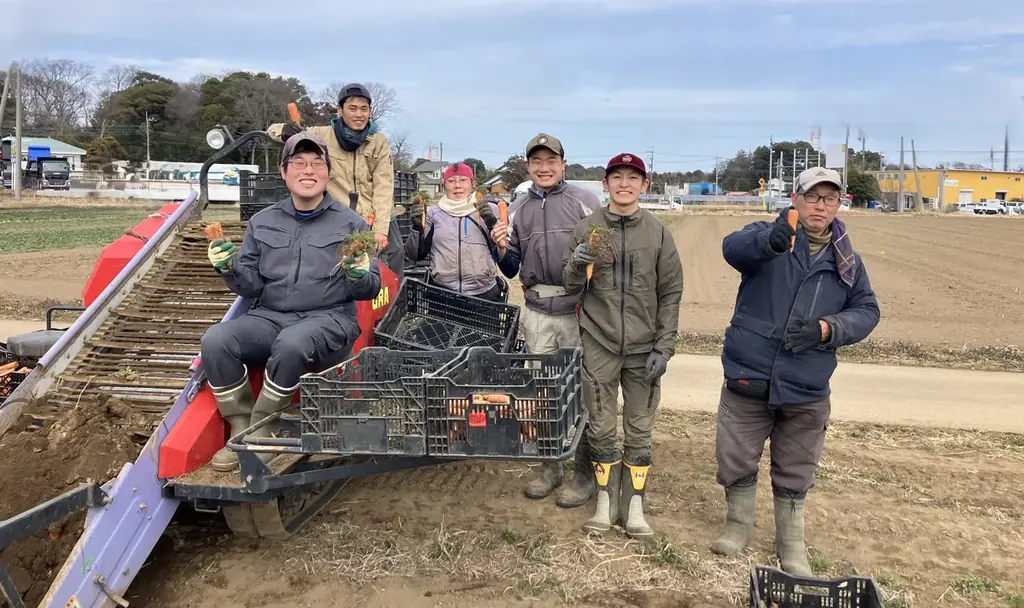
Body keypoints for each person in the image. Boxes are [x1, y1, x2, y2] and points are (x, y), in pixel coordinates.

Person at [710, 167, 880, 574]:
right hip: (749, 374)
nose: (821, 206)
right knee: (735, 457)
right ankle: (738, 526)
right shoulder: (768, 238)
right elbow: (733, 248)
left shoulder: (847, 261)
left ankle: (790, 543)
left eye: (830, 199)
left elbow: (867, 310)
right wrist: (768, 244)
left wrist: (828, 329)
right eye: (813, 197)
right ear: (795, 199)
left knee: (797, 466)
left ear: (839, 205)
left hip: (806, 383)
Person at [201, 131, 382, 472]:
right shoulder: (262, 221)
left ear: (328, 173)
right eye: (298, 162)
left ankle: (263, 428)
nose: (308, 169)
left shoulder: (352, 224)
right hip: (271, 316)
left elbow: (369, 288)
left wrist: (359, 276)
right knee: (216, 340)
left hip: (330, 319)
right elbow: (250, 284)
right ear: (284, 172)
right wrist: (228, 266)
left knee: (291, 342)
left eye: (317, 163)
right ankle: (241, 427)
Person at [562, 153, 684, 537]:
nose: (625, 184)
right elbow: (570, 287)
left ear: (644, 185)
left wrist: (664, 347)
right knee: (599, 426)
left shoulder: (658, 234)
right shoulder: (587, 228)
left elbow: (671, 293)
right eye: (617, 177)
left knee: (639, 427)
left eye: (634, 178)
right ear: (606, 184)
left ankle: (634, 506)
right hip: (599, 342)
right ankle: (604, 502)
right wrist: (577, 264)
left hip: (644, 348)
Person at [489, 133, 602, 507]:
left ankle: (584, 474)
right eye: (537, 161)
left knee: (582, 393)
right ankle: (550, 466)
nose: (544, 167)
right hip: (537, 311)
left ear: (563, 164)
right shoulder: (518, 206)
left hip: (578, 310)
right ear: (528, 167)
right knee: (542, 393)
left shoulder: (584, 201)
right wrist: (500, 246)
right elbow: (510, 267)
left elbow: (603, 257)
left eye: (551, 160)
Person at [267, 83, 404, 282]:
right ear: (340, 110)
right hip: (338, 217)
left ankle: (392, 308)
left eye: (364, 109)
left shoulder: (378, 141)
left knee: (393, 261)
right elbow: (272, 130)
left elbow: (384, 186)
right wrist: (285, 131)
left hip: (375, 217)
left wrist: (380, 231)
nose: (359, 114)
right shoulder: (320, 135)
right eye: (353, 108)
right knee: (338, 269)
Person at [404, 162, 504, 301]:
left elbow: (503, 254)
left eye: (463, 180)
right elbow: (415, 255)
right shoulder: (433, 214)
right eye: (451, 181)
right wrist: (416, 228)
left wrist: (492, 223)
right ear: (444, 185)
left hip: (483, 293)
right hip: (441, 294)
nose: (457, 185)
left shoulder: (490, 210)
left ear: (473, 183)